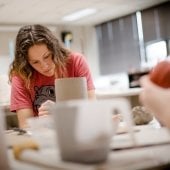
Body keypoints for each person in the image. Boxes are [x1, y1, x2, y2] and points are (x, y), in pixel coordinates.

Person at [9, 24, 96, 128]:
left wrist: (60, 115)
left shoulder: (76, 62)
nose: (44, 66)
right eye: (35, 62)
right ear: (27, 63)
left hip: (78, 131)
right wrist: (45, 122)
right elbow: (25, 125)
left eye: (47, 56)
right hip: (44, 137)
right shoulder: (21, 75)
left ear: (54, 48)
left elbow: (91, 110)